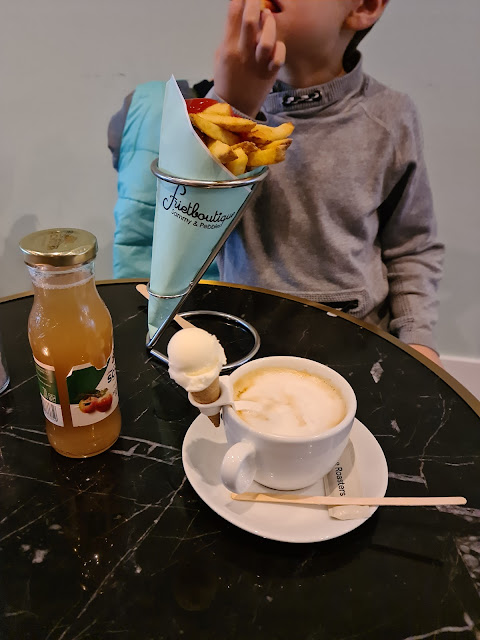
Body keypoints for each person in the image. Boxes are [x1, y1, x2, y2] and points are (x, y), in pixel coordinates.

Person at [108, 0, 444, 365]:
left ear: (364, 6)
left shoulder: (391, 117)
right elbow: (186, 231)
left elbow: (411, 245)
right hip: (244, 338)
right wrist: (233, 106)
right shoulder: (209, 112)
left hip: (359, 341)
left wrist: (417, 337)